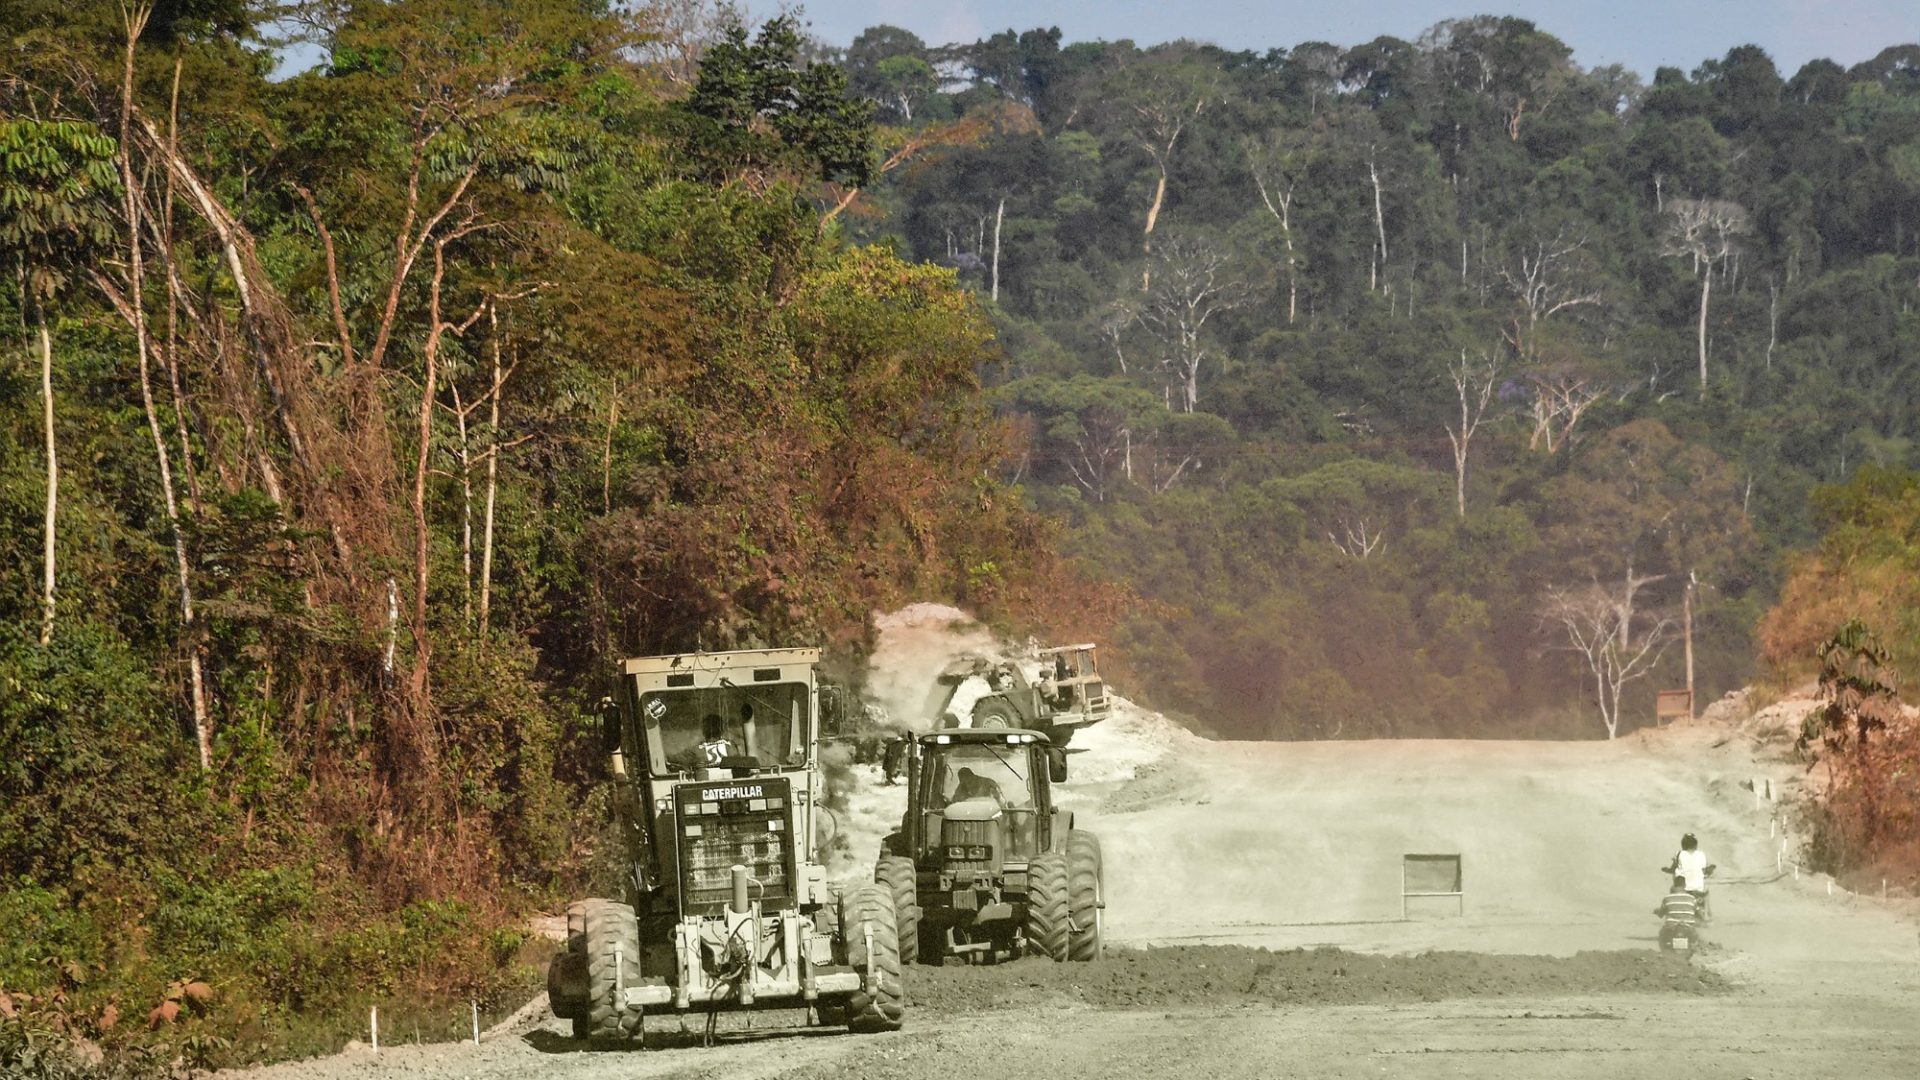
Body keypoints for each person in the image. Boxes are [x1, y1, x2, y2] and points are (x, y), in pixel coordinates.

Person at [1666, 833, 1714, 921]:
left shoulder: (1679, 853)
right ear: (1696, 844)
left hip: (1682, 888)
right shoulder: (1701, 854)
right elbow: (1705, 869)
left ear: (1683, 844)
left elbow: (1673, 868)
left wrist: (1668, 870)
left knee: (1672, 889)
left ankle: (1671, 912)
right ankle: (1708, 915)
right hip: (1698, 890)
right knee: (1706, 892)